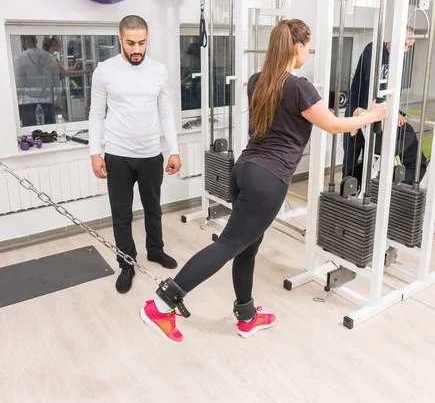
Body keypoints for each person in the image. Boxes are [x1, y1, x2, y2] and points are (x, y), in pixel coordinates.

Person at [138, 19, 388, 344]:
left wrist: (356, 117)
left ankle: (246, 316)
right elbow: (334, 126)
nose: (308, 53)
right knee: (229, 244)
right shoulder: (299, 87)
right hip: (268, 180)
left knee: (247, 247)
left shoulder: (258, 81)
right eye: (308, 47)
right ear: (297, 48)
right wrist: (372, 115)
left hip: (244, 170)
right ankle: (162, 303)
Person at [88, 15, 181, 294]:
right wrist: (95, 152)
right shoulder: (104, 71)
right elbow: (96, 114)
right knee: (121, 214)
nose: (137, 48)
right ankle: (126, 263)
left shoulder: (159, 70)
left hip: (152, 154)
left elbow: (166, 112)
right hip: (117, 155)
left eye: (142, 42)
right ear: (120, 39)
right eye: (131, 43)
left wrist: (174, 150)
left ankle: (155, 251)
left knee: (153, 209)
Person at [343, 30, 426, 186]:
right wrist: (368, 113)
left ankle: (367, 189)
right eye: (406, 45)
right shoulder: (373, 50)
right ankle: (346, 188)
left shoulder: (399, 60)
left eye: (409, 47)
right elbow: (371, 87)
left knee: (373, 154)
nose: (406, 50)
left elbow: (395, 92)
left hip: (376, 112)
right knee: (352, 152)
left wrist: (394, 113)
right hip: (360, 107)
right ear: (395, 39)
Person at [13, 35, 61, 126]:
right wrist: (57, 104)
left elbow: (18, 84)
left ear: (22, 41)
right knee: (50, 133)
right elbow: (56, 84)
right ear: (36, 40)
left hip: (27, 103)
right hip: (47, 102)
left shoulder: (19, 58)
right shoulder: (50, 57)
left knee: (31, 134)